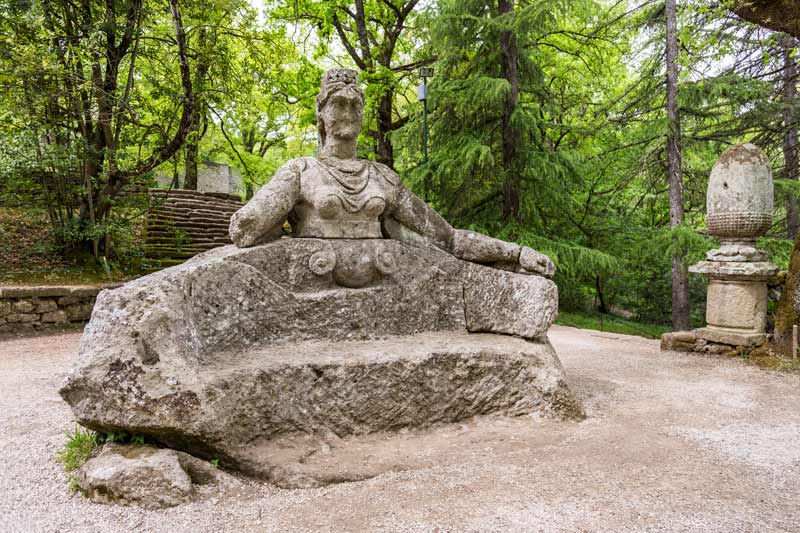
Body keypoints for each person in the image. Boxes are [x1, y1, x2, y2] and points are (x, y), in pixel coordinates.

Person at [229, 68, 554, 278]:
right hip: (309, 293)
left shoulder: (382, 177)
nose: (348, 113)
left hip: (388, 295)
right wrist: (268, 221)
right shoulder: (301, 171)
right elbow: (246, 227)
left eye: (355, 106)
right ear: (321, 112)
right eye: (338, 104)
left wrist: (516, 253)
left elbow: (449, 238)